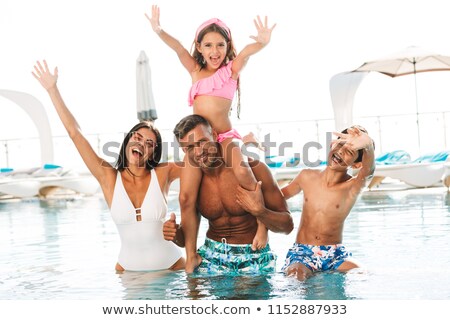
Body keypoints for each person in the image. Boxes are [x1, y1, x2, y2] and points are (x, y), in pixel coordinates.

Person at [32, 60, 185, 272]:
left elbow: (200, 161)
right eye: (137, 137)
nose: (140, 143)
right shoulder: (108, 177)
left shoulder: (163, 172)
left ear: (153, 153)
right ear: (128, 141)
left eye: (149, 143)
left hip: (172, 270)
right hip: (129, 276)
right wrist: (52, 90)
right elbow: (75, 133)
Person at [146, 5, 276, 250]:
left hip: (225, 137)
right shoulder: (195, 71)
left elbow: (247, 53)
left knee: (242, 171)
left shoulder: (231, 71)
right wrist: (159, 30)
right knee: (186, 195)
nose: (214, 51)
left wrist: (262, 43)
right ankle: (192, 253)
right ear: (199, 47)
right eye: (208, 45)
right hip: (200, 144)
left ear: (227, 46)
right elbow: (177, 48)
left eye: (220, 45)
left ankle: (262, 225)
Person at [163, 114, 293, 273]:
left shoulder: (255, 169)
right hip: (211, 257)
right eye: (190, 147)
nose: (198, 152)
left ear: (215, 136)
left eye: (202, 142)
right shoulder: (193, 184)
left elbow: (287, 226)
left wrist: (261, 212)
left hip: (252, 256)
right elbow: (185, 240)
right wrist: (175, 234)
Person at [280, 126, 375, 280]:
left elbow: (368, 172)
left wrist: (368, 146)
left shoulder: (352, 187)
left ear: (357, 165)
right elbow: (278, 198)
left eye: (350, 152)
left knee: (362, 272)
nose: (341, 152)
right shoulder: (306, 176)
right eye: (339, 145)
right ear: (332, 144)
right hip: (303, 253)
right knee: (296, 275)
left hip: (335, 254)